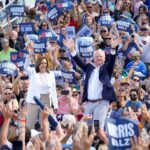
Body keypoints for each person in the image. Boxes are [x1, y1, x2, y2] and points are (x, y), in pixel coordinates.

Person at [64, 39, 116, 143]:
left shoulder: (107, 68)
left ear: (104, 58)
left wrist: (113, 49)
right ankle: (86, 146)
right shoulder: (89, 68)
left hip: (101, 103)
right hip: (89, 104)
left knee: (96, 129)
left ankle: (104, 146)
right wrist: (72, 50)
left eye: (101, 56)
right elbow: (79, 61)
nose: (99, 58)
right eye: (97, 56)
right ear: (93, 58)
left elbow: (112, 60)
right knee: (84, 127)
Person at [24, 53, 58, 129]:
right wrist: (28, 57)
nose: (44, 65)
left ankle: (43, 140)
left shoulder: (51, 74)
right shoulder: (33, 72)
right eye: (42, 63)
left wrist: (55, 105)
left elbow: (53, 90)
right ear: (38, 63)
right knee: (30, 124)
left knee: (44, 124)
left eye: (45, 63)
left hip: (46, 100)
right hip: (34, 100)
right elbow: (25, 67)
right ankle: (28, 139)